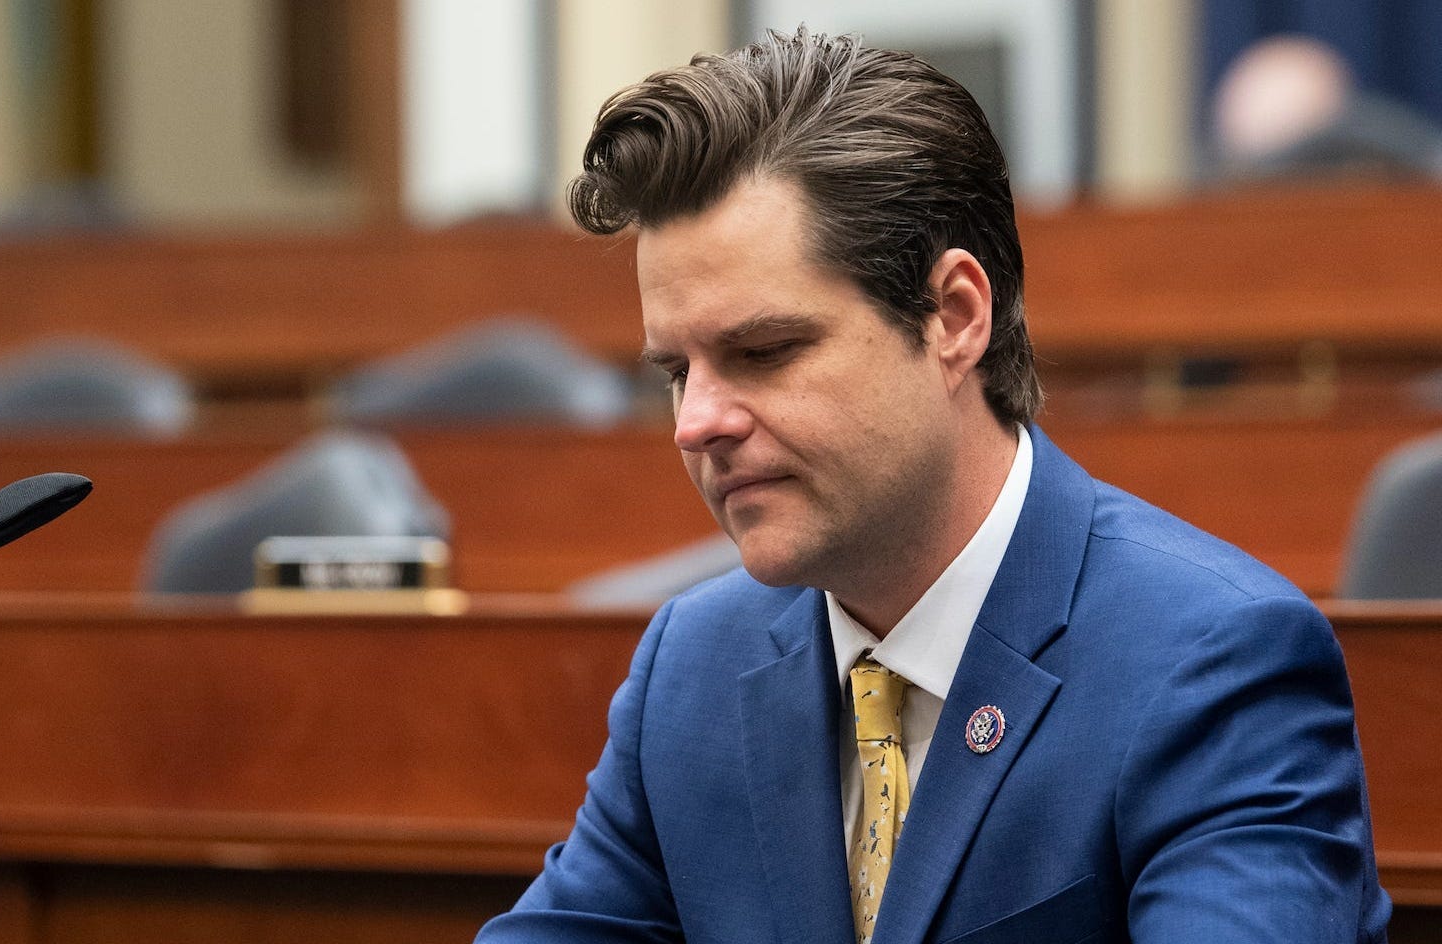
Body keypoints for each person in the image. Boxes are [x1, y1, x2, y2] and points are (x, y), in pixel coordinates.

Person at [477, 28, 1390, 944]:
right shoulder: (693, 667)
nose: (697, 422)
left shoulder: (1213, 661)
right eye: (677, 372)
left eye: (764, 352)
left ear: (954, 317)